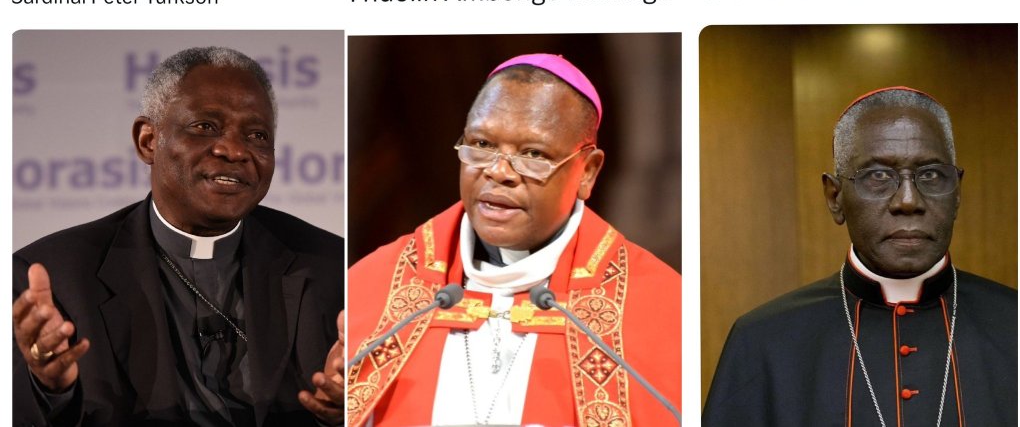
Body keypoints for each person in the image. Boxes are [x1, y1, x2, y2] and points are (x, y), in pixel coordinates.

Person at [12, 46, 345, 426]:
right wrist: (49, 387)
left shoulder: (334, 268)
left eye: (256, 134)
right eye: (205, 127)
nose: (234, 150)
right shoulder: (56, 277)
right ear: (148, 141)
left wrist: (343, 411)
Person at [345, 54, 681, 426]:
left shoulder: (658, 304)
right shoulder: (375, 286)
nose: (499, 172)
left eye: (533, 154)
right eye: (483, 145)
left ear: (587, 172)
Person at [703, 87, 1017, 426]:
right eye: (879, 176)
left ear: (957, 193)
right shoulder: (763, 341)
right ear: (834, 197)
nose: (908, 201)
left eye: (930, 175)